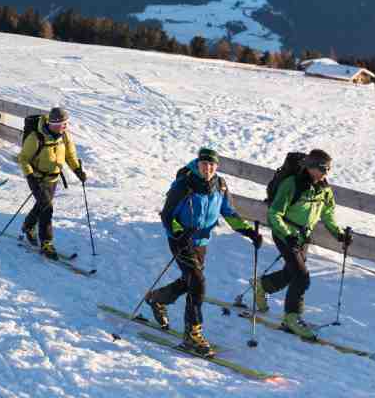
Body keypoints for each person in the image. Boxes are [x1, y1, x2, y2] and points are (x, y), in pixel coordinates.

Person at [145, 147, 262, 357]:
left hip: (201, 242)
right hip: (180, 240)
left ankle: (158, 299)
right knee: (197, 283)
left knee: (190, 281)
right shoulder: (184, 185)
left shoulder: (220, 185)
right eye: (204, 164)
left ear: (216, 166)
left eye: (211, 165)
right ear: (198, 164)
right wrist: (179, 233)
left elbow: (229, 212)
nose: (207, 168)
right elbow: (167, 215)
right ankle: (192, 333)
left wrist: (247, 231)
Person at [254, 148, 351, 340]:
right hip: (285, 234)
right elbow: (274, 214)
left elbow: (328, 213)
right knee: (301, 276)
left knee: (292, 272)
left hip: (303, 236)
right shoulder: (292, 184)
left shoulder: (324, 188)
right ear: (310, 167)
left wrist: (339, 234)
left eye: (329, 168)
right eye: (323, 168)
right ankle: (292, 317)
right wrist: (287, 234)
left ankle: (263, 286)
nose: (326, 172)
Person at [17, 107, 85, 259]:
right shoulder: (36, 137)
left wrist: (78, 170)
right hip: (37, 178)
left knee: (41, 205)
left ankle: (28, 226)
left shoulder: (64, 135)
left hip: (53, 178)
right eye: (63, 124)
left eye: (66, 123)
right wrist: (30, 176)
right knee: (47, 208)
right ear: (53, 123)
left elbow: (70, 155)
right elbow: (23, 158)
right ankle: (47, 243)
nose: (66, 127)